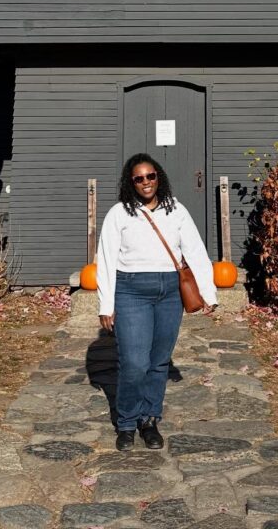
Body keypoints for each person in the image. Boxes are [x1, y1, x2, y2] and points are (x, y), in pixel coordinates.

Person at [96, 152, 218, 451]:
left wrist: (208, 292)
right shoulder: (119, 214)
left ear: (158, 177)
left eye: (150, 176)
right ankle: (126, 423)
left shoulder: (176, 210)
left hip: (170, 293)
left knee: (158, 361)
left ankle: (149, 420)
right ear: (131, 182)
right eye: (139, 178)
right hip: (131, 291)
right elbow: (107, 261)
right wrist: (105, 304)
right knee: (135, 363)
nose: (146, 182)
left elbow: (196, 251)